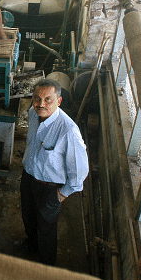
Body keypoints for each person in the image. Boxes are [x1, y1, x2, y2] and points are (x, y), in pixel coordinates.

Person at [18, 79, 89, 266]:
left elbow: (80, 171)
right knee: (28, 217)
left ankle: (46, 265)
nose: (41, 104)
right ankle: (31, 245)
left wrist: (60, 194)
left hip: (49, 188)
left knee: (46, 228)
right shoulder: (33, 114)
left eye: (48, 99)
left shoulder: (68, 131)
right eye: (37, 98)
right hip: (29, 178)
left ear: (59, 101)